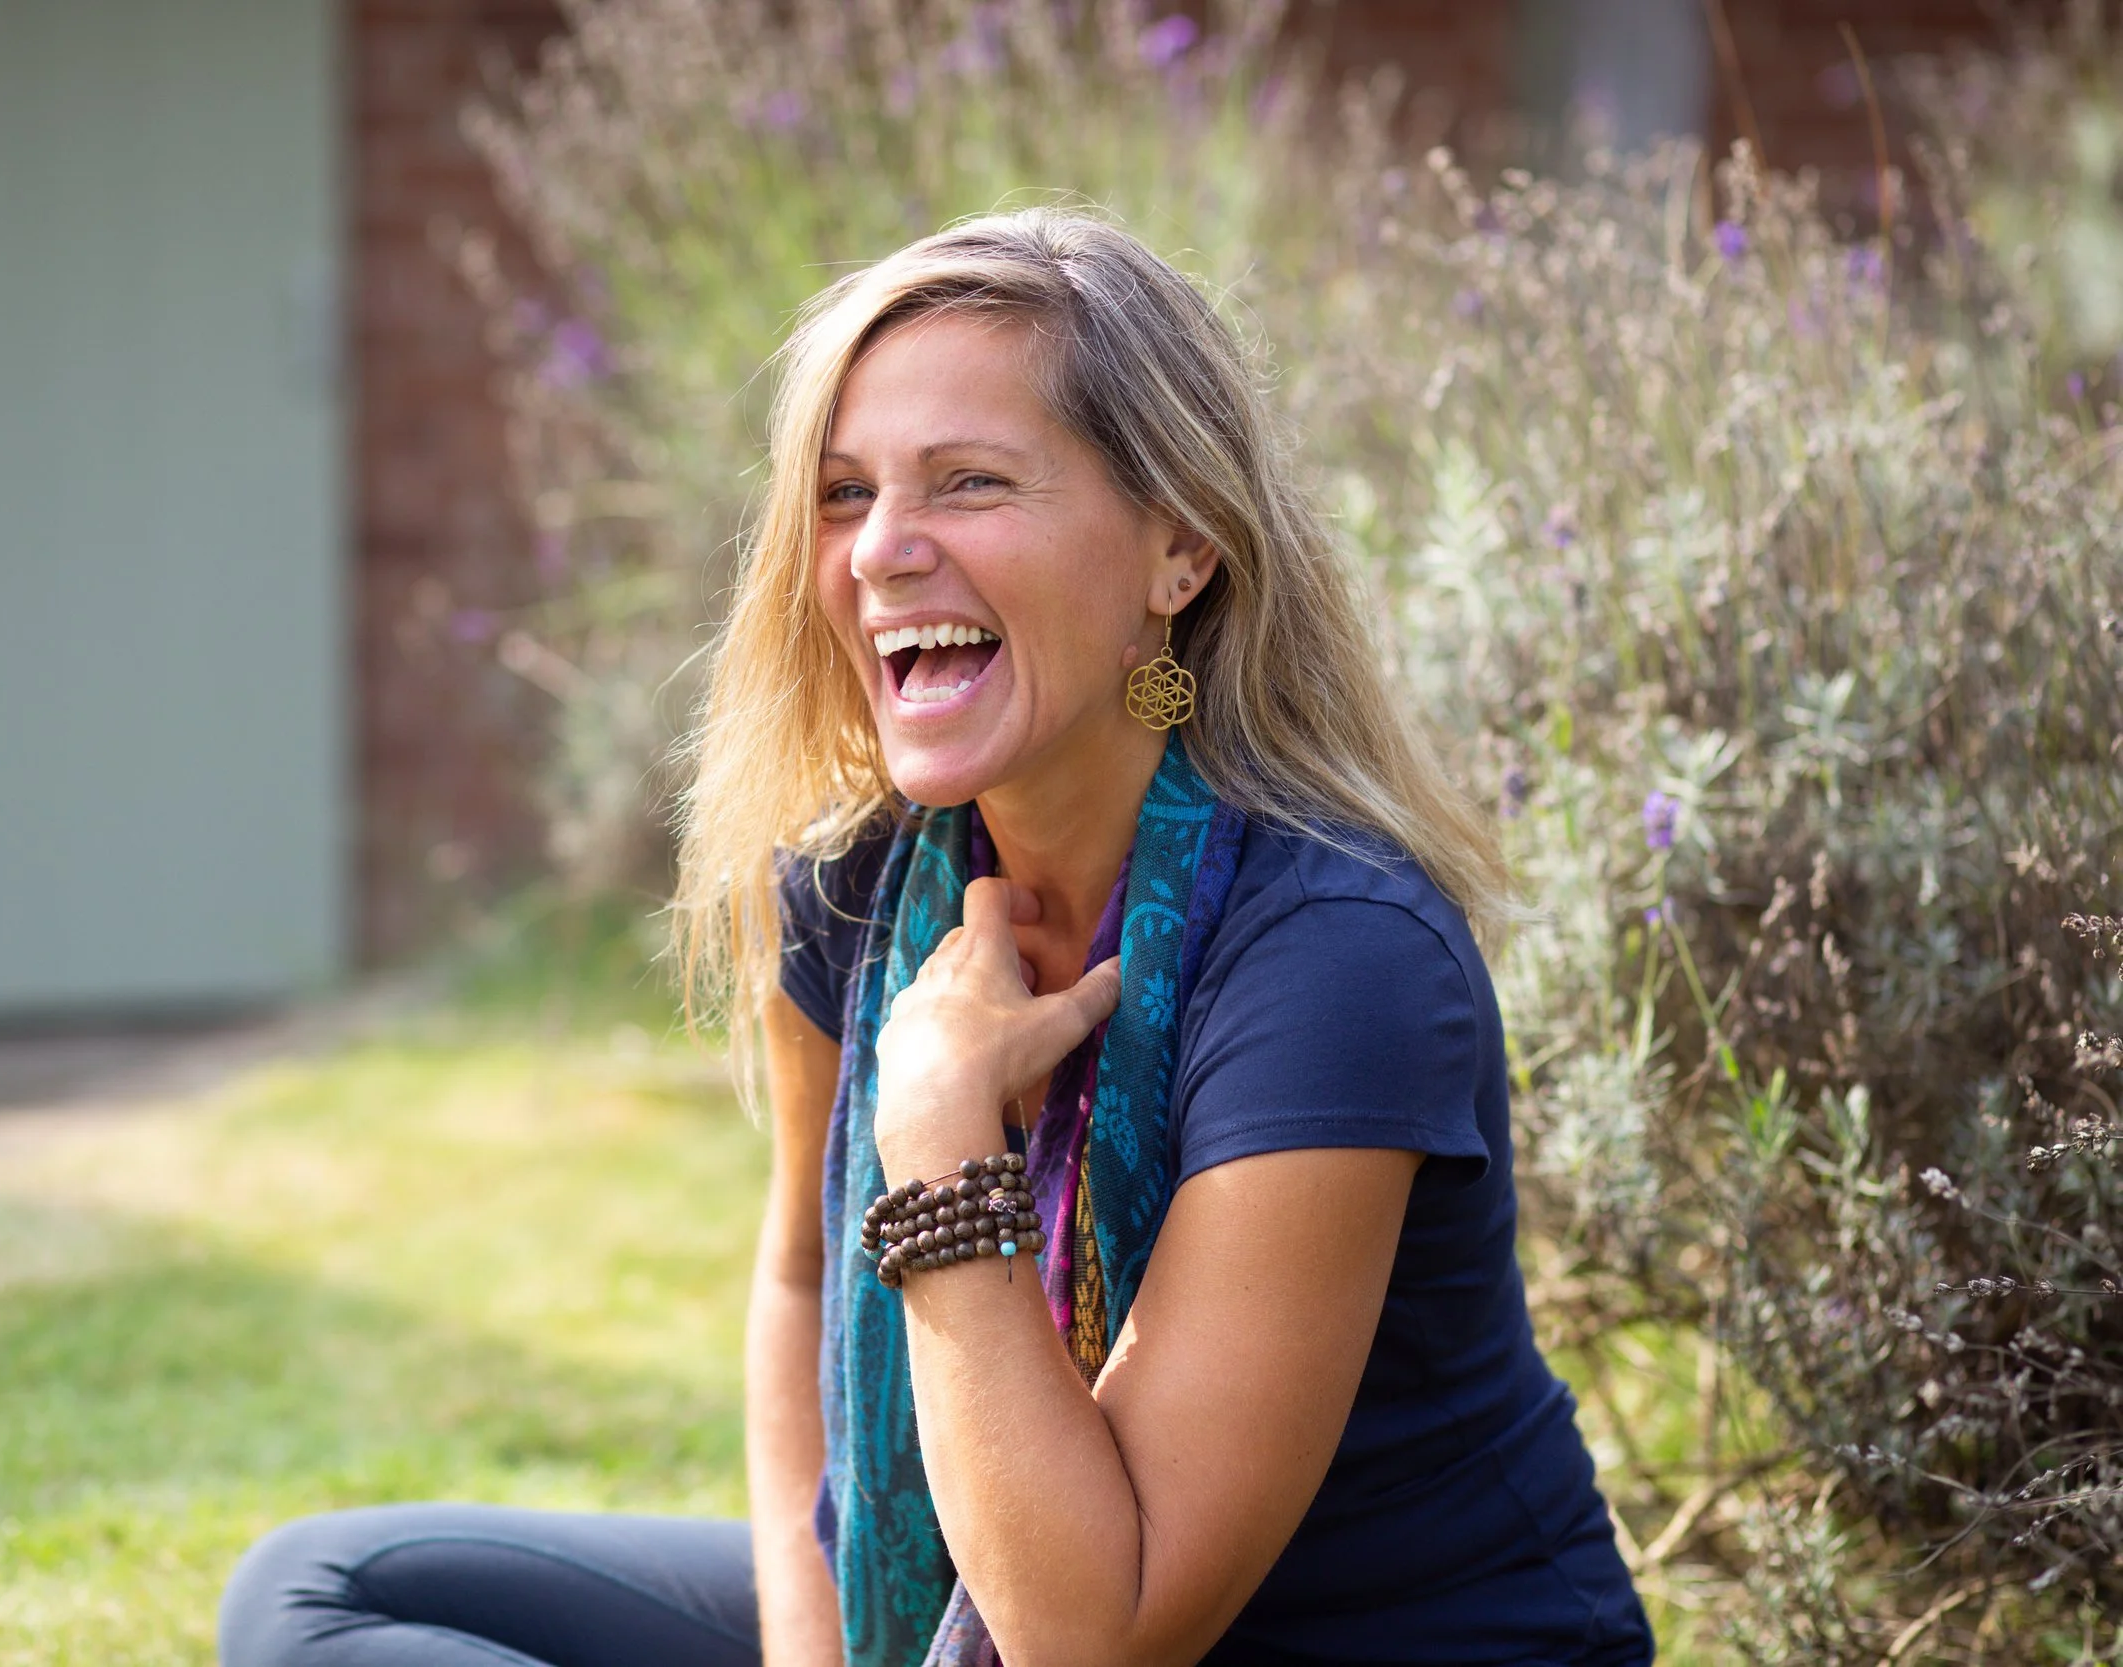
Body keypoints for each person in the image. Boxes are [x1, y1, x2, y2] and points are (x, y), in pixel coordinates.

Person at [219, 208, 1653, 1667]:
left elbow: (1094, 1636)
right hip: (963, 1609)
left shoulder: (1333, 957)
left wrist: (938, 1131)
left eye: (970, 483)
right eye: (843, 495)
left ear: (1181, 549)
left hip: (1265, 1635)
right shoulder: (853, 891)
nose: (882, 552)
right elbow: (794, 1281)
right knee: (326, 1592)